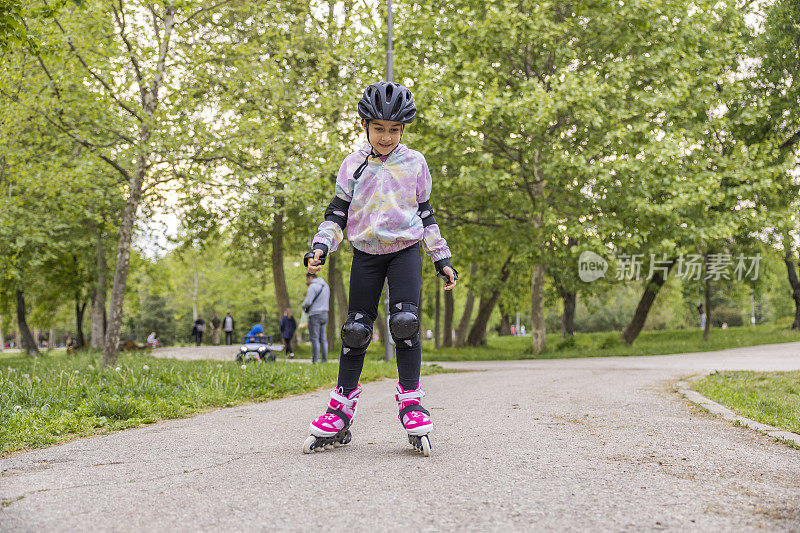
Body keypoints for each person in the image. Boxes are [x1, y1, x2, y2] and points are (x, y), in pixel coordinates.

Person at [301, 82, 458, 455]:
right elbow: (337, 212)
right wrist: (321, 245)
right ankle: (340, 410)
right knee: (356, 329)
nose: (386, 136)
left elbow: (425, 214)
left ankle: (412, 403)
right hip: (366, 254)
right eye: (378, 128)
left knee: (405, 322)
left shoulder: (415, 163)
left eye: (395, 129)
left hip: (404, 251)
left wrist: (441, 258)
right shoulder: (353, 165)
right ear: (365, 125)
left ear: (403, 129)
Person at [302, 273, 330, 363]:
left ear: (310, 277)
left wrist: (303, 306)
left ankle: (315, 360)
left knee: (314, 338)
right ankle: (324, 360)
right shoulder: (326, 286)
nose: (306, 281)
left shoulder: (313, 287)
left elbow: (308, 302)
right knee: (323, 338)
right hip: (324, 314)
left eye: (307, 279)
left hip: (315, 314)